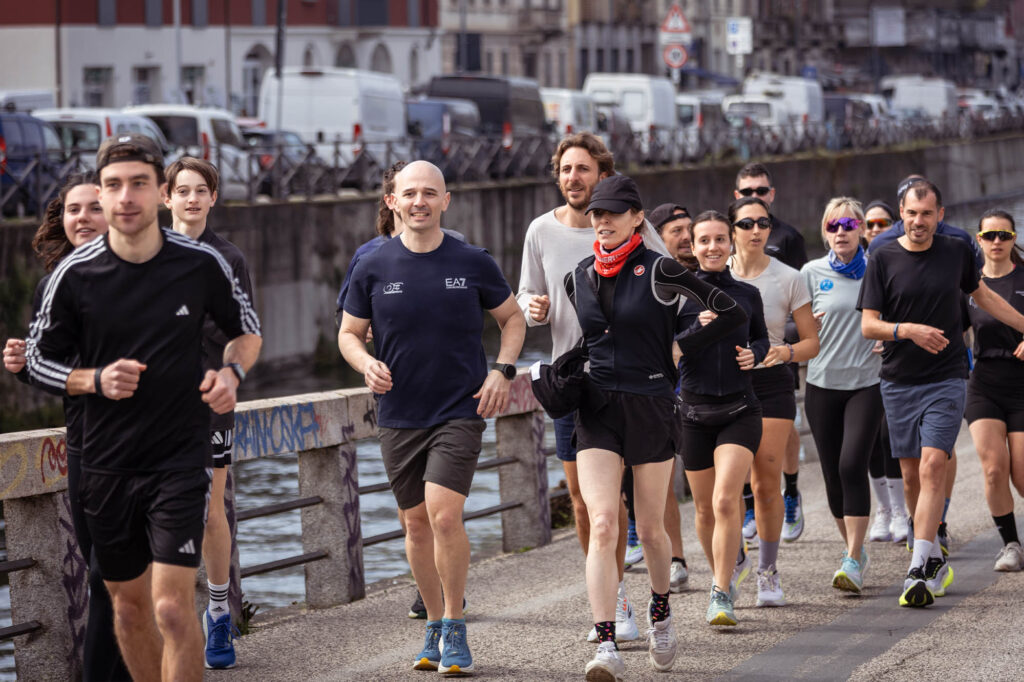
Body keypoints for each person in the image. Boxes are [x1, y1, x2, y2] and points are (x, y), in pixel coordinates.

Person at [24, 133, 262, 679]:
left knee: (172, 607)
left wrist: (232, 372)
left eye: (138, 184)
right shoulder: (73, 275)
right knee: (129, 611)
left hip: (179, 457)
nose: (125, 197)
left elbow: (246, 332)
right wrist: (94, 379)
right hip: (105, 464)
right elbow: (38, 363)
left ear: (160, 193)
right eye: (113, 186)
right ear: (101, 198)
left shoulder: (202, 263)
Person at [338, 160, 526, 675]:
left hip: (458, 409)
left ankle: (457, 627)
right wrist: (365, 362)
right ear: (392, 202)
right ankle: (435, 623)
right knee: (416, 524)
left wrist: (502, 371)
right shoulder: (372, 263)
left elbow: (512, 318)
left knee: (444, 514)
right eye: (409, 193)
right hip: (399, 412)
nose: (419, 201)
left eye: (430, 193)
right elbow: (349, 333)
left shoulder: (472, 260)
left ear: (446, 201)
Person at [565, 175, 746, 679]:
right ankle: (606, 644)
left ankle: (661, 610)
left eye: (612, 213)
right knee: (603, 522)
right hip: (597, 409)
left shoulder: (661, 270)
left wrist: (682, 346)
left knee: (650, 527)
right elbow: (589, 339)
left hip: (650, 405)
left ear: (636, 218)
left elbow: (729, 311)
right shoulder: (577, 276)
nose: (600, 221)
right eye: (595, 214)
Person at [516, 132, 669, 641]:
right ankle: (615, 601)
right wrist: (532, 307)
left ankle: (657, 597)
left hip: (637, 383)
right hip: (574, 384)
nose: (572, 178)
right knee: (587, 504)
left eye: (582, 169)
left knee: (643, 512)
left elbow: (671, 292)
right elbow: (526, 295)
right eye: (565, 170)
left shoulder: (631, 228)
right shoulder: (541, 230)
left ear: (602, 176)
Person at [858, 179, 1024, 607]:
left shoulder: (956, 252)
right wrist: (906, 331)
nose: (918, 222)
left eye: (926, 214)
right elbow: (868, 325)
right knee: (912, 476)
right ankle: (931, 555)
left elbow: (982, 295)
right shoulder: (882, 256)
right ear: (901, 214)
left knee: (934, 466)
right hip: (898, 380)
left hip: (948, 377)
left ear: (940, 215)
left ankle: (916, 569)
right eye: (911, 214)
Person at [3, 172, 132, 681]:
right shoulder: (51, 286)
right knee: (103, 575)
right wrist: (24, 364)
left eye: (92, 207)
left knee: (122, 575)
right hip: (85, 446)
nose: (82, 217)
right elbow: (50, 372)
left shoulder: (143, 275)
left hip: (147, 446)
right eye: (73, 210)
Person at [163, 157, 255, 669]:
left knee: (210, 509)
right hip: (151, 406)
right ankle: (164, 616)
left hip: (209, 401)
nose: (192, 199)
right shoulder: (144, 252)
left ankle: (218, 614)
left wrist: (228, 376)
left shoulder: (228, 257)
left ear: (213, 198)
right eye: (183, 191)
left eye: (201, 191)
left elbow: (244, 330)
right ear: (167, 197)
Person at [677, 210, 769, 627]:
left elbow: (762, 336)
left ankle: (720, 591)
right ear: (693, 248)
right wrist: (697, 326)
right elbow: (667, 348)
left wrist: (758, 353)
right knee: (703, 510)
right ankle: (724, 570)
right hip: (693, 412)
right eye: (704, 240)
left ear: (731, 243)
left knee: (725, 499)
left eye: (719, 239)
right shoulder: (678, 296)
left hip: (739, 409)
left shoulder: (747, 294)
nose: (712, 247)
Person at [727, 196, 819, 608]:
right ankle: (733, 559)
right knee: (728, 487)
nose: (755, 230)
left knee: (765, 483)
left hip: (772, 385)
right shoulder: (714, 273)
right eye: (746, 224)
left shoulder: (789, 277)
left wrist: (786, 352)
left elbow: (812, 341)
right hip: (724, 387)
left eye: (762, 223)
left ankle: (767, 571)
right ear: (732, 230)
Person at [800, 198, 883, 594]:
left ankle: (852, 558)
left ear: (863, 229)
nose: (841, 232)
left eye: (849, 224)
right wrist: (803, 328)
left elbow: (896, 315)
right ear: (825, 230)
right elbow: (790, 325)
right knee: (832, 472)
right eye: (833, 225)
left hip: (866, 384)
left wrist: (891, 340)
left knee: (852, 465)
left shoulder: (878, 269)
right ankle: (854, 549)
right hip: (821, 384)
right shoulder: (811, 272)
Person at [733, 162, 809, 543]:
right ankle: (752, 505)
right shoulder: (721, 259)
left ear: (772, 195)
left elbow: (796, 302)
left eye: (761, 192)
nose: (755, 199)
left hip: (778, 354)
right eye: (748, 192)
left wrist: (782, 348)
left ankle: (791, 489)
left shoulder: (789, 240)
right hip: (734, 372)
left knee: (783, 435)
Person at [627, 201, 694, 591]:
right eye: (677, 231)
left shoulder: (704, 273)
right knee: (662, 479)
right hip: (660, 391)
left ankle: (728, 551)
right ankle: (675, 556)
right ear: (658, 237)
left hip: (702, 390)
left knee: (713, 485)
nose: (687, 238)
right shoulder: (647, 275)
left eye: (690, 229)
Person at [965, 209, 1024, 572]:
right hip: (984, 383)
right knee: (992, 470)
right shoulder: (969, 285)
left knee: (1022, 474)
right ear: (979, 240)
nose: (997, 242)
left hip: (1022, 384)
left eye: (1004, 235)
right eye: (990, 236)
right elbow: (949, 327)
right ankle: (1011, 545)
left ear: (1014, 238)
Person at [862, 200, 909, 545]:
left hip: (894, 363)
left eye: (883, 223)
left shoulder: (899, 262)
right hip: (856, 366)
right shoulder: (852, 262)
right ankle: (885, 510)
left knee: (892, 439)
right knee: (870, 443)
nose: (876, 229)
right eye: (870, 224)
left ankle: (902, 510)